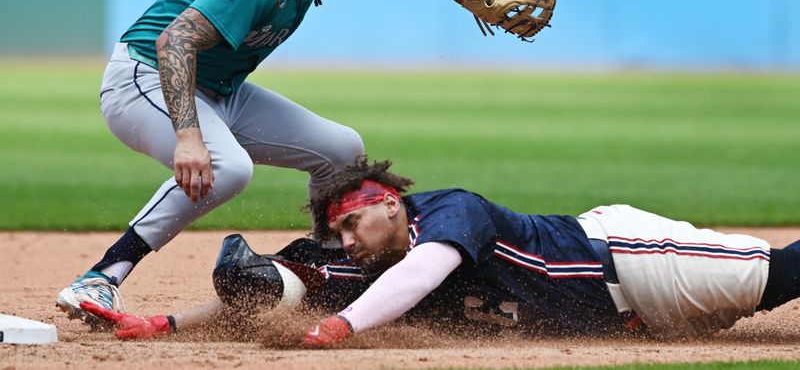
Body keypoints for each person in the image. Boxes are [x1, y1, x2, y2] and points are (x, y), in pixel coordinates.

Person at [55, 0, 518, 326]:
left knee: (339, 149)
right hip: (144, 77)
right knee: (226, 167)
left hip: (215, 88)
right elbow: (174, 42)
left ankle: (326, 273)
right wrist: (189, 136)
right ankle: (101, 276)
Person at [80, 157, 800, 346]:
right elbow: (272, 282)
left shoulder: (452, 212)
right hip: (632, 321)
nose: (347, 239)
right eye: (336, 230)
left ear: (390, 201)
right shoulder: (365, 264)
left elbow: (431, 268)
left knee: (777, 280)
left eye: (353, 223)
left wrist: (342, 326)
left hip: (629, 260)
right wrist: (166, 323)